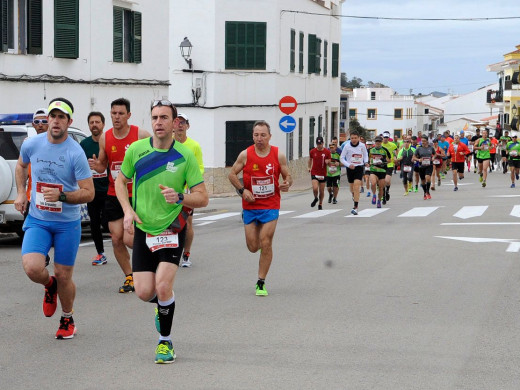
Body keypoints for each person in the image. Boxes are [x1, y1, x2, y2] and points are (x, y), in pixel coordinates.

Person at [116, 99, 208, 364]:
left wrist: (180, 197)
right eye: (155, 117)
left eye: (164, 118)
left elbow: (202, 198)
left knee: (164, 285)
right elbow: (120, 181)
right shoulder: (136, 150)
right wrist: (128, 211)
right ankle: (163, 306)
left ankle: (165, 343)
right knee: (145, 292)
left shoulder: (185, 156)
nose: (158, 122)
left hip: (171, 229)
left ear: (174, 122)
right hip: (144, 230)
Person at [14, 98, 94, 339]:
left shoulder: (75, 153)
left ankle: (67, 318)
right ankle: (50, 286)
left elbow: (89, 192)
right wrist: (21, 193)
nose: (56, 121)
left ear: (69, 122)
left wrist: (62, 196)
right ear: (47, 119)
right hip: (38, 219)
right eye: (53, 116)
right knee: (32, 268)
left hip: (66, 224)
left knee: (64, 275)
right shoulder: (32, 144)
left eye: (62, 117)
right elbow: (20, 166)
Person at [88, 98, 151, 293]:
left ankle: (151, 260)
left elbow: (156, 155)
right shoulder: (105, 138)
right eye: (113, 113)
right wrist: (96, 165)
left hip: (137, 195)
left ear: (128, 115)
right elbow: (103, 163)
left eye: (121, 113)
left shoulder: (140, 135)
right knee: (116, 238)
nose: (116, 117)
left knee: (129, 239)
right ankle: (130, 277)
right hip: (114, 193)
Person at [228, 120, 292, 296]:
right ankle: (263, 248)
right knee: (253, 246)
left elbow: (288, 175)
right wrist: (242, 190)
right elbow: (232, 174)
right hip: (250, 206)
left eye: (263, 135)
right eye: (256, 135)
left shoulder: (278, 155)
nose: (259, 138)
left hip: (271, 205)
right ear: (253, 136)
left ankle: (261, 281)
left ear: (269, 136)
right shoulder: (245, 155)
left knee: (266, 241)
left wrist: (287, 183)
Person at [173, 113, 204, 268]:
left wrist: (190, 184)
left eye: (182, 122)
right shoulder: (167, 143)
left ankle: (186, 254)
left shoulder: (194, 146)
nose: (179, 125)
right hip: (171, 190)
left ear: (187, 126)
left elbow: (199, 168)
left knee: (188, 222)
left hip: (187, 192)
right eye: (177, 121)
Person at [80, 112, 109, 265]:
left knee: (106, 221)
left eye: (97, 122)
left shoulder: (108, 141)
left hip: (108, 189)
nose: (94, 125)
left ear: (103, 124)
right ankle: (100, 253)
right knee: (94, 223)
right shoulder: (84, 144)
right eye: (91, 122)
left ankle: (120, 240)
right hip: (91, 190)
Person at [25, 108, 51, 266]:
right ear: (33, 125)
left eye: (44, 121)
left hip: (52, 199)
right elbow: (21, 169)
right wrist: (21, 194)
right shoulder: (28, 145)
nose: (40, 125)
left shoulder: (58, 143)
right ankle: (42, 257)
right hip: (32, 199)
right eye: (37, 122)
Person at [340, 131, 368, 215]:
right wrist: (348, 165)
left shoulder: (362, 146)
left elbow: (365, 155)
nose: (354, 140)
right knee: (352, 188)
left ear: (359, 138)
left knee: (357, 186)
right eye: (352, 138)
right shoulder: (347, 146)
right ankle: (353, 195)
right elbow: (341, 158)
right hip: (350, 168)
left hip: (359, 167)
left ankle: (355, 207)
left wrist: (366, 162)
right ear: (350, 138)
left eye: (355, 138)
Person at [308, 136, 331, 210]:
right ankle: (315, 198)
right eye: (318, 144)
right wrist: (309, 167)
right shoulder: (312, 151)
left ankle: (320, 203)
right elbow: (310, 159)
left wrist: (328, 162)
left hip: (323, 173)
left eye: (320, 144)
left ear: (323, 143)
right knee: (315, 188)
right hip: (314, 172)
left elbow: (330, 162)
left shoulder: (327, 152)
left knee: (321, 190)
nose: (319, 145)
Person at [368, 136, 391, 208]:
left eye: (379, 141)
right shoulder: (370, 150)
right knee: (373, 183)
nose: (378, 143)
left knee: (381, 188)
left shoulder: (385, 150)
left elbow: (389, 160)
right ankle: (374, 195)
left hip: (382, 170)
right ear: (375, 142)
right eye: (376, 141)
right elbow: (367, 159)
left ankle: (379, 200)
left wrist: (384, 161)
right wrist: (369, 163)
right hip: (373, 170)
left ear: (381, 142)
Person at [413, 135, 435, 200]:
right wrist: (418, 160)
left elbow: (435, 154)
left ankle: (428, 192)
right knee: (423, 181)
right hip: (421, 166)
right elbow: (414, 157)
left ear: (427, 141)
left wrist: (433, 157)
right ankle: (425, 192)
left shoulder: (431, 148)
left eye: (424, 141)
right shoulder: (419, 149)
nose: (423, 142)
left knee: (427, 178)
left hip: (429, 165)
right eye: (422, 141)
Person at [381, 131, 397, 204]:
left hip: (389, 164)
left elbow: (395, 152)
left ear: (389, 138)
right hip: (381, 165)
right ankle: (384, 196)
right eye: (384, 137)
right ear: (382, 137)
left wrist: (396, 157)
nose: (385, 139)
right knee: (383, 181)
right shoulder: (380, 144)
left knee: (387, 181)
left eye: (387, 137)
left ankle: (387, 191)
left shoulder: (392, 145)